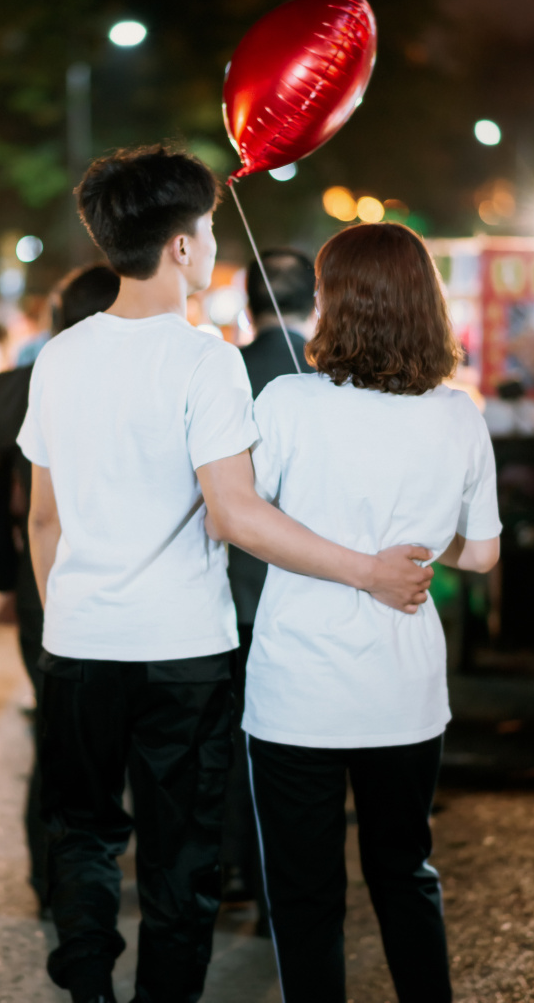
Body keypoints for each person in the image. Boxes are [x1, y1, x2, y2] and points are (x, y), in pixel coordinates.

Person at [17, 145, 434, 1003]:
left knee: (81, 832)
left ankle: (88, 986)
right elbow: (235, 514)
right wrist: (366, 571)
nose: (212, 244)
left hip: (78, 644)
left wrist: (70, 619)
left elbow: (43, 519)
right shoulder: (203, 359)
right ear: (180, 245)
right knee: (181, 860)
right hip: (182, 653)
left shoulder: (59, 356)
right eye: (208, 228)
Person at [230, 222, 502, 1003]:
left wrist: (345, 549)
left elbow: (247, 520)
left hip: (296, 689)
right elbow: (482, 553)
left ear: (334, 303)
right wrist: (413, 547)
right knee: (404, 874)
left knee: (304, 896)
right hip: (404, 690)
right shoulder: (457, 413)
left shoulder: (286, 401)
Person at [0, 264, 119, 910]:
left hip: (43, 582)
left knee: (56, 725)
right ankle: (103, 857)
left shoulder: (14, 385)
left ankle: (51, 876)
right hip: (124, 578)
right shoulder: (128, 378)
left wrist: (5, 574)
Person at [223, 247, 315, 915]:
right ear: (315, 301)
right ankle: (282, 879)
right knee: (296, 742)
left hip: (230, 586)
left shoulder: (222, 371)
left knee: (234, 734)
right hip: (313, 582)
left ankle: (235, 866)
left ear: (248, 302)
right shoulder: (333, 375)